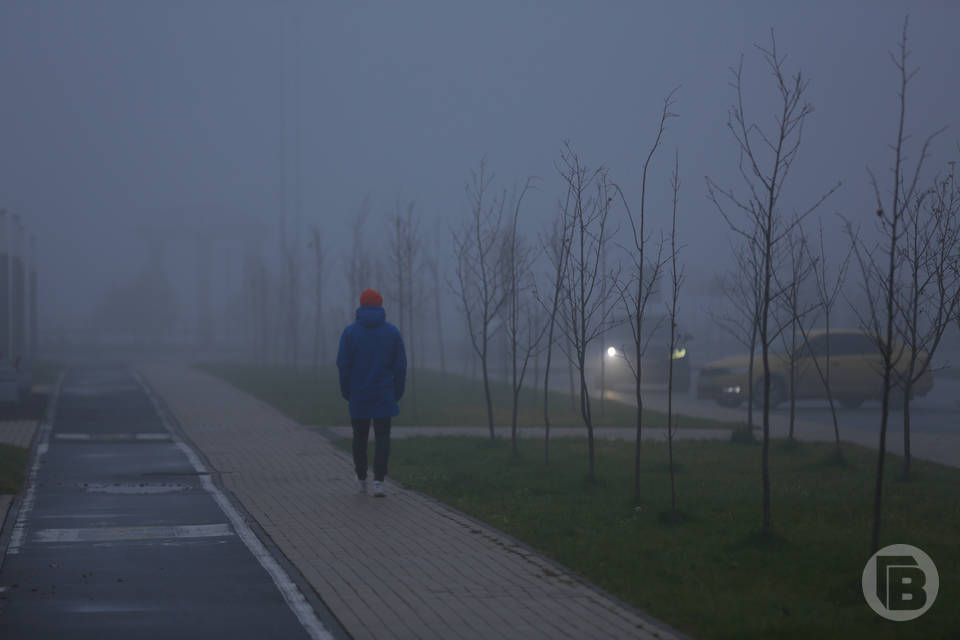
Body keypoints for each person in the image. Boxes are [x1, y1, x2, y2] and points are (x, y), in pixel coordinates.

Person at [336, 288, 406, 497]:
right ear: (380, 305)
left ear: (361, 304)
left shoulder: (350, 333)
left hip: (359, 393)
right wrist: (397, 393)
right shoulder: (392, 333)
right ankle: (379, 482)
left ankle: (361, 477)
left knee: (360, 437)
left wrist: (347, 391)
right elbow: (400, 367)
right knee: (383, 437)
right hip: (384, 394)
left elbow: (343, 365)